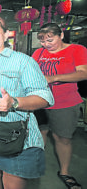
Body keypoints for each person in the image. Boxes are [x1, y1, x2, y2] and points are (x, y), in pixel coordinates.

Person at [0, 15, 54, 189]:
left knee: (12, 182)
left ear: (6, 34)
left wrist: (14, 102)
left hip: (16, 136)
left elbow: (46, 97)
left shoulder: (23, 61)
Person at [32, 23, 87, 189]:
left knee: (62, 138)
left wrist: (53, 77)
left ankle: (64, 172)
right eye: (43, 41)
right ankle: (36, 165)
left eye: (50, 39)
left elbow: (83, 73)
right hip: (39, 100)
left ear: (61, 35)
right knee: (39, 133)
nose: (46, 44)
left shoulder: (77, 50)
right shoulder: (39, 53)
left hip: (64, 101)